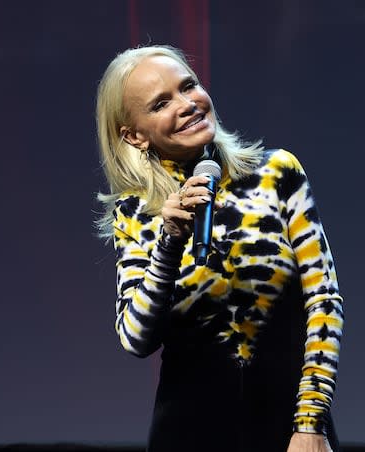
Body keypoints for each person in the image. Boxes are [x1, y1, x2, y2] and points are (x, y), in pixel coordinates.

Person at [95, 45, 344, 452]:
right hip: (188, 431)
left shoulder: (276, 172)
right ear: (134, 134)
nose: (186, 104)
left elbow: (324, 301)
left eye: (188, 86)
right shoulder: (137, 212)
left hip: (291, 426)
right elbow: (136, 339)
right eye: (161, 103)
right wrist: (169, 243)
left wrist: (310, 422)